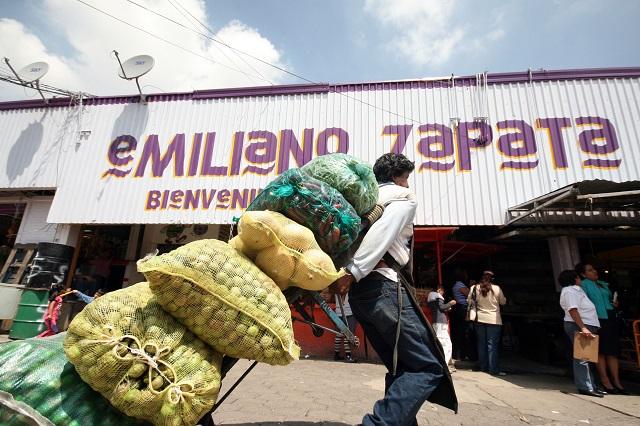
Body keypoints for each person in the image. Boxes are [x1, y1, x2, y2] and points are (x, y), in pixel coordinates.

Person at [330, 153, 457, 425]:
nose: (408, 183)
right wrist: (353, 271)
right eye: (407, 177)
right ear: (398, 177)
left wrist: (348, 272)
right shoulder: (402, 197)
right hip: (383, 287)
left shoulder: (365, 201)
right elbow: (383, 232)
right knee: (427, 366)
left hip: (362, 296)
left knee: (402, 366)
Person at [575, 262, 628, 395]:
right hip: (596, 318)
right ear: (583, 274)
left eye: (593, 269)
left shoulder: (603, 284)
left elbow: (609, 300)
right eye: (590, 270)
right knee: (601, 351)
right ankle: (606, 381)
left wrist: (614, 303)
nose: (594, 272)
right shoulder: (584, 285)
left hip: (610, 316)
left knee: (612, 351)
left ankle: (617, 382)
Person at [558, 269, 603, 397]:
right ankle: (585, 386)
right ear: (575, 279)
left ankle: (591, 385)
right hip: (579, 325)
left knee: (587, 356)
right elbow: (573, 310)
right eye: (578, 277)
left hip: (585, 324)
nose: (580, 280)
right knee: (582, 357)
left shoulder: (576, 290)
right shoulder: (570, 291)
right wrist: (583, 327)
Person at [468, 271, 507, 376]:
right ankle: (493, 369)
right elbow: (503, 302)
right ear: (492, 279)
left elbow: (469, 301)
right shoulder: (497, 288)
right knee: (492, 345)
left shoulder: (474, 288)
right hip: (494, 320)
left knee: (481, 344)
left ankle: (483, 367)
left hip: (480, 319)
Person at [427, 287, 457, 371]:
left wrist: (446, 307)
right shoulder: (437, 297)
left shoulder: (431, 298)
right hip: (440, 323)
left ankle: (441, 364)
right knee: (446, 344)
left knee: (441, 343)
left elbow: (439, 308)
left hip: (436, 322)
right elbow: (441, 307)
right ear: (439, 290)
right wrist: (451, 303)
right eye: (442, 291)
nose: (443, 293)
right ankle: (444, 365)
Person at [450, 269, 470, 361]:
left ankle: (458, 354)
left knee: (458, 332)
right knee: (463, 332)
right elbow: (469, 295)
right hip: (462, 308)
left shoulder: (455, 284)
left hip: (459, 308)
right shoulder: (460, 284)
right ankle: (461, 354)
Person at [333, 293, 358, 362]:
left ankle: (336, 354)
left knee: (339, 334)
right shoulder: (348, 286)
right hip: (349, 312)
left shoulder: (335, 287)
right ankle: (348, 356)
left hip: (338, 312)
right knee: (347, 334)